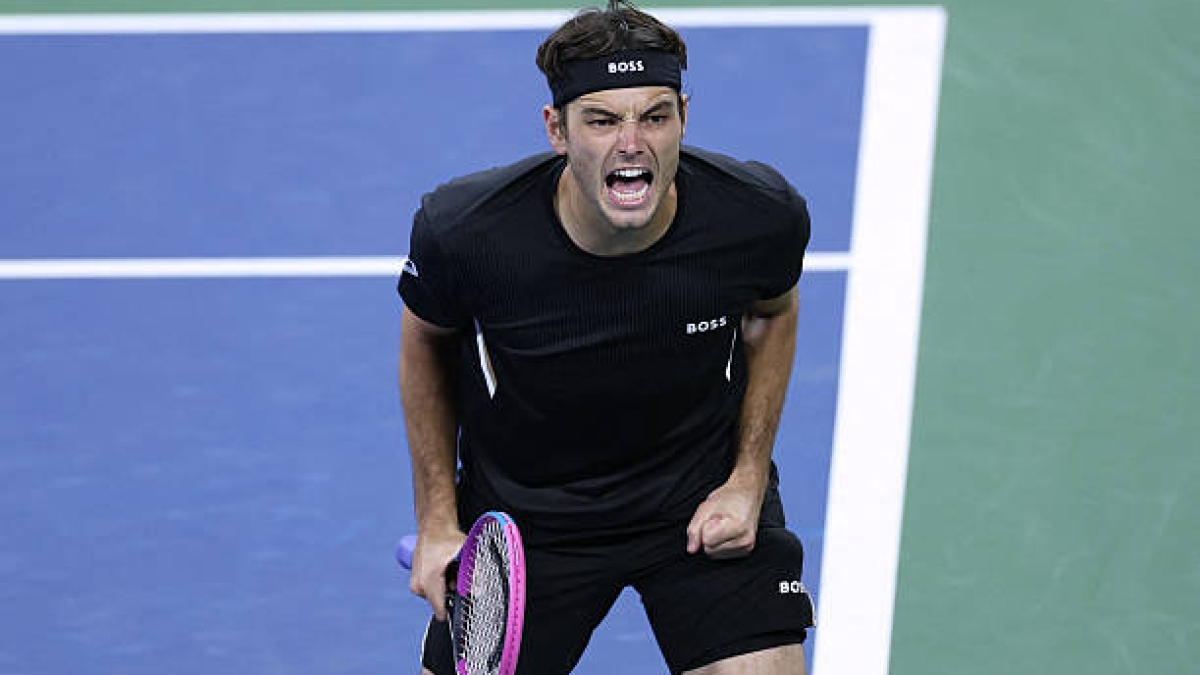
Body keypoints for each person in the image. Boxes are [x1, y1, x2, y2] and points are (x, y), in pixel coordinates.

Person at [397, 1, 815, 672]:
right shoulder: (468, 234)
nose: (632, 143)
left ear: (684, 117)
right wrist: (437, 521)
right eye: (602, 120)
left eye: (655, 116)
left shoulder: (756, 216)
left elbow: (773, 312)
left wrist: (745, 479)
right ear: (556, 129)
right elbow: (426, 340)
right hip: (528, 524)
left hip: (696, 502)